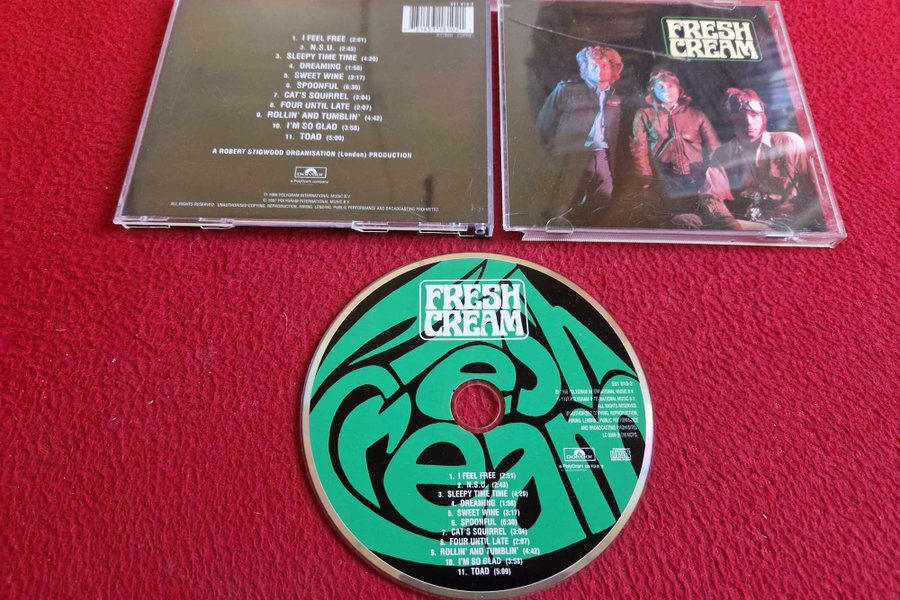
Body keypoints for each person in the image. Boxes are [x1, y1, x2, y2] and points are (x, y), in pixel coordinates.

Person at [695, 88, 823, 231]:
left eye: (754, 115)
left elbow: (816, 188)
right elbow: (710, 195)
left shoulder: (789, 142)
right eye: (740, 117)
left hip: (794, 224)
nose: (748, 122)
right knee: (686, 221)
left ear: (763, 117)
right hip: (752, 224)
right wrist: (730, 224)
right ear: (731, 120)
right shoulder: (724, 153)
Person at [536, 46, 624, 221]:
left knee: (604, 193)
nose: (599, 70)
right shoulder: (567, 90)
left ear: (613, 68)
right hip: (573, 150)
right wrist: (551, 147)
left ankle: (587, 224)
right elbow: (545, 120)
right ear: (585, 68)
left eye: (604, 65)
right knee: (566, 194)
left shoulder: (614, 98)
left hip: (601, 152)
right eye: (593, 66)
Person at [629, 70, 720, 227]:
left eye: (670, 86)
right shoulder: (644, 115)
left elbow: (714, 146)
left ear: (679, 89)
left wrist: (713, 176)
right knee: (674, 220)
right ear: (652, 90)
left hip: (697, 175)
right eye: (660, 86)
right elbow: (639, 149)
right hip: (665, 176)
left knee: (702, 220)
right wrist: (645, 176)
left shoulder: (697, 115)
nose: (666, 90)